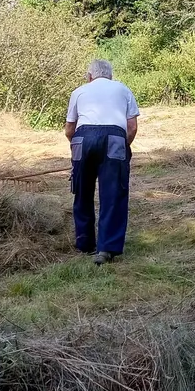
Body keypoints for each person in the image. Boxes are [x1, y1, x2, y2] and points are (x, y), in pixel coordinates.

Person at [65, 59, 141, 265]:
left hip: (83, 138)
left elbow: (69, 129)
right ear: (110, 76)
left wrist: (77, 146)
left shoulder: (79, 91)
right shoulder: (123, 89)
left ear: (90, 76)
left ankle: (85, 243)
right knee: (113, 193)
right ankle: (106, 249)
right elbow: (132, 127)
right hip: (115, 137)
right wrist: (123, 146)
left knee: (82, 191)